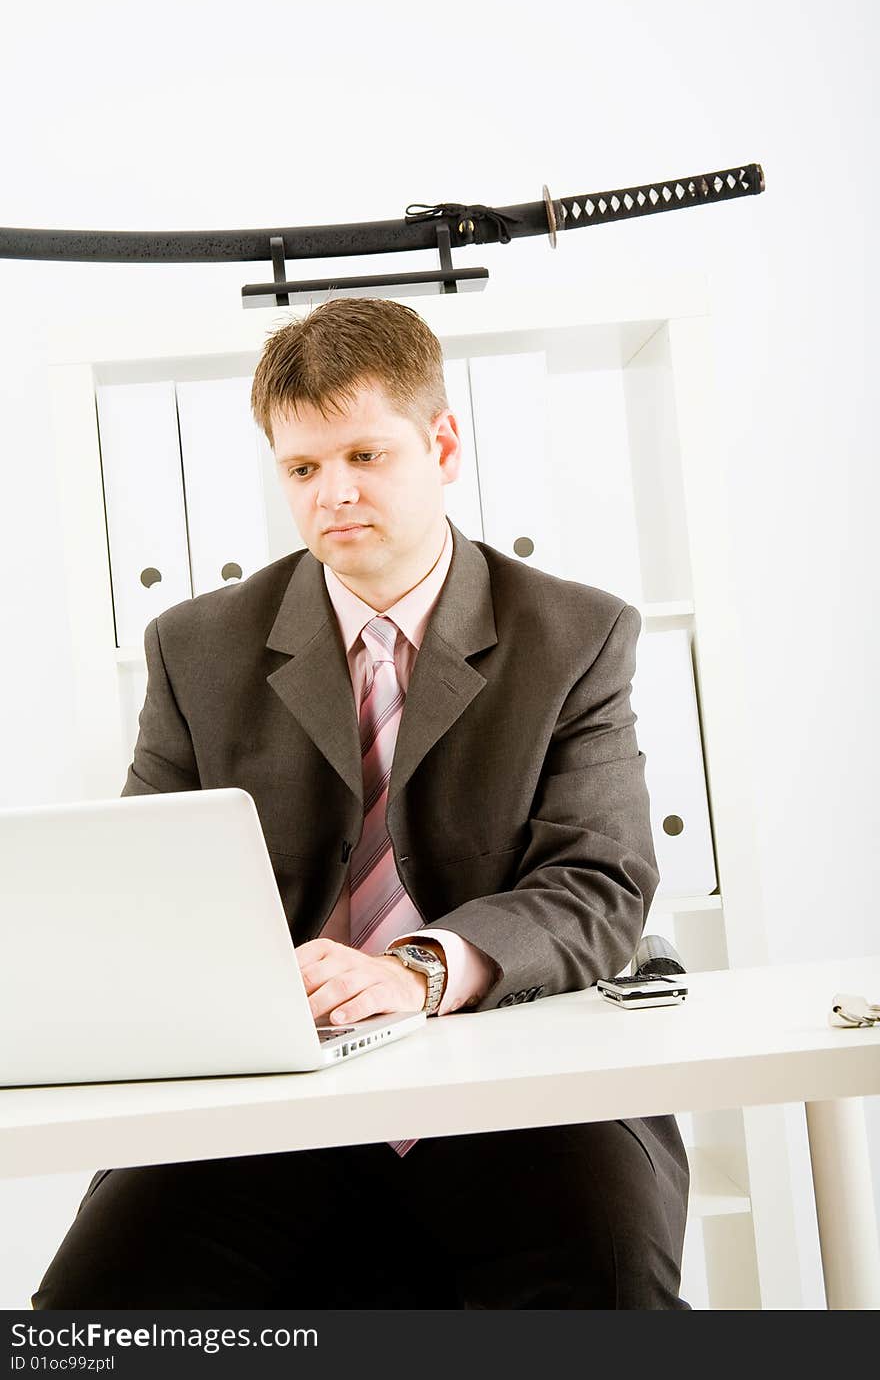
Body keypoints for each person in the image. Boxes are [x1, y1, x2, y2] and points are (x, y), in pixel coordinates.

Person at [33, 297, 690, 1310]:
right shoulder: (194, 647)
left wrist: (419, 969)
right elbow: (144, 890)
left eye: (364, 456)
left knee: (606, 1295)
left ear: (441, 443)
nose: (331, 492)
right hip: (278, 1096)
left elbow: (600, 886)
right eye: (301, 469)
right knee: (88, 1315)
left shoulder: (576, 633)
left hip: (525, 1082)